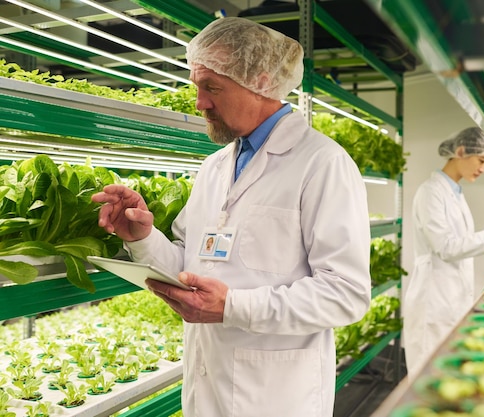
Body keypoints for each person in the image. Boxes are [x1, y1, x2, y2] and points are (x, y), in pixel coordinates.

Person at [91, 17, 371, 417]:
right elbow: (190, 264)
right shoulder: (215, 167)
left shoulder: (321, 163)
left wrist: (233, 306)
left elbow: (346, 294)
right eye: (197, 87)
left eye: (212, 87)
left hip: (276, 397)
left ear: (259, 81)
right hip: (207, 389)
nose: (200, 102)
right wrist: (142, 237)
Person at [401, 127, 484, 379]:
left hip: (451, 298)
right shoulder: (430, 192)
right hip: (433, 301)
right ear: (460, 152)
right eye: (482, 160)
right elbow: (446, 247)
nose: (482, 169)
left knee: (445, 374)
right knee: (428, 377)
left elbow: (459, 244)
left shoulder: (455, 193)